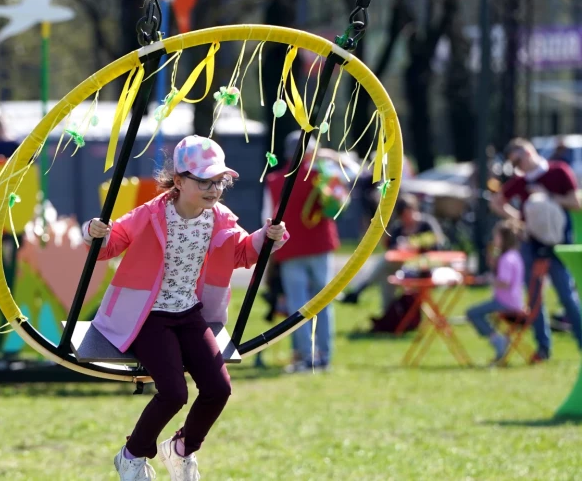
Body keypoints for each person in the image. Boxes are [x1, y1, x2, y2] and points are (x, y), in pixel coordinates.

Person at [82, 135, 288, 481]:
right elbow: (110, 245)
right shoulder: (150, 214)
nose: (213, 189)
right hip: (146, 316)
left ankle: (181, 449)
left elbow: (241, 251)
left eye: (219, 181)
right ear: (178, 181)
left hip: (189, 312)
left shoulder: (219, 217)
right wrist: (95, 232)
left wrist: (265, 237)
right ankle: (131, 455)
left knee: (218, 388)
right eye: (203, 181)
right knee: (174, 392)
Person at [489, 138, 582, 362]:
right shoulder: (520, 181)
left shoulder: (558, 171)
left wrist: (548, 197)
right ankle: (543, 349)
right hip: (531, 245)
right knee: (534, 298)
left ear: (528, 151)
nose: (519, 166)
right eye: (514, 163)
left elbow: (577, 203)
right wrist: (519, 220)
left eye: (518, 159)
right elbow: (496, 202)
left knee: (566, 296)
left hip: (558, 243)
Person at [261, 131, 347, 373]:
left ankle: (304, 358)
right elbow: (345, 187)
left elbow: (267, 216)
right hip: (320, 245)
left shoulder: (274, 180)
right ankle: (325, 356)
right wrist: (328, 156)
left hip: (289, 248)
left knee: (296, 305)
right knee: (323, 302)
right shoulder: (324, 174)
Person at [339, 193, 446, 308]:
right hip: (402, 266)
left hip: (424, 267)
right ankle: (388, 314)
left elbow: (438, 244)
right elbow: (391, 249)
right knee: (386, 272)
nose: (407, 219)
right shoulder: (399, 227)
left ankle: (360, 291)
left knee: (384, 265)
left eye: (409, 214)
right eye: (404, 216)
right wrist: (400, 246)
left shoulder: (426, 224)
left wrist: (417, 244)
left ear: (415, 209)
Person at [465, 220, 525, 362]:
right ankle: (497, 339)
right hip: (514, 301)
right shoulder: (514, 256)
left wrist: (488, 280)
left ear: (504, 238)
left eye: (496, 236)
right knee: (478, 312)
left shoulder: (506, 259)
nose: (494, 240)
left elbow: (504, 283)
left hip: (506, 303)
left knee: (472, 313)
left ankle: (497, 339)